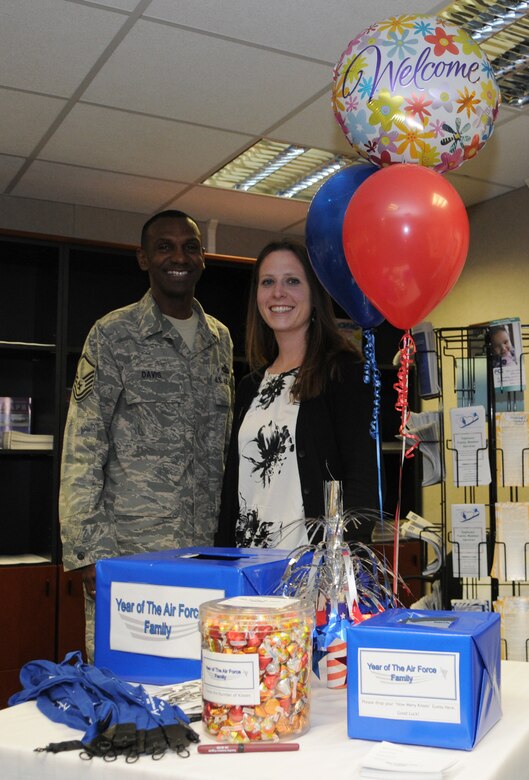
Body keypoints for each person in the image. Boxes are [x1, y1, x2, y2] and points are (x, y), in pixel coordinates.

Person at [59, 210, 234, 660]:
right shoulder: (113, 335)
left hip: (203, 561)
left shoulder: (221, 340)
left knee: (197, 687)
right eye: (165, 246)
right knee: (125, 693)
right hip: (130, 558)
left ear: (202, 258)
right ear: (143, 259)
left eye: (190, 246)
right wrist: (89, 554)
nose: (179, 256)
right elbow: (82, 445)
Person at [215, 239, 380, 550]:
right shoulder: (250, 386)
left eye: (292, 280)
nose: (279, 292)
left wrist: (340, 556)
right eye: (268, 282)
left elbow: (363, 480)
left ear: (315, 293)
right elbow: (234, 490)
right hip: (249, 569)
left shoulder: (344, 372)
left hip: (312, 570)